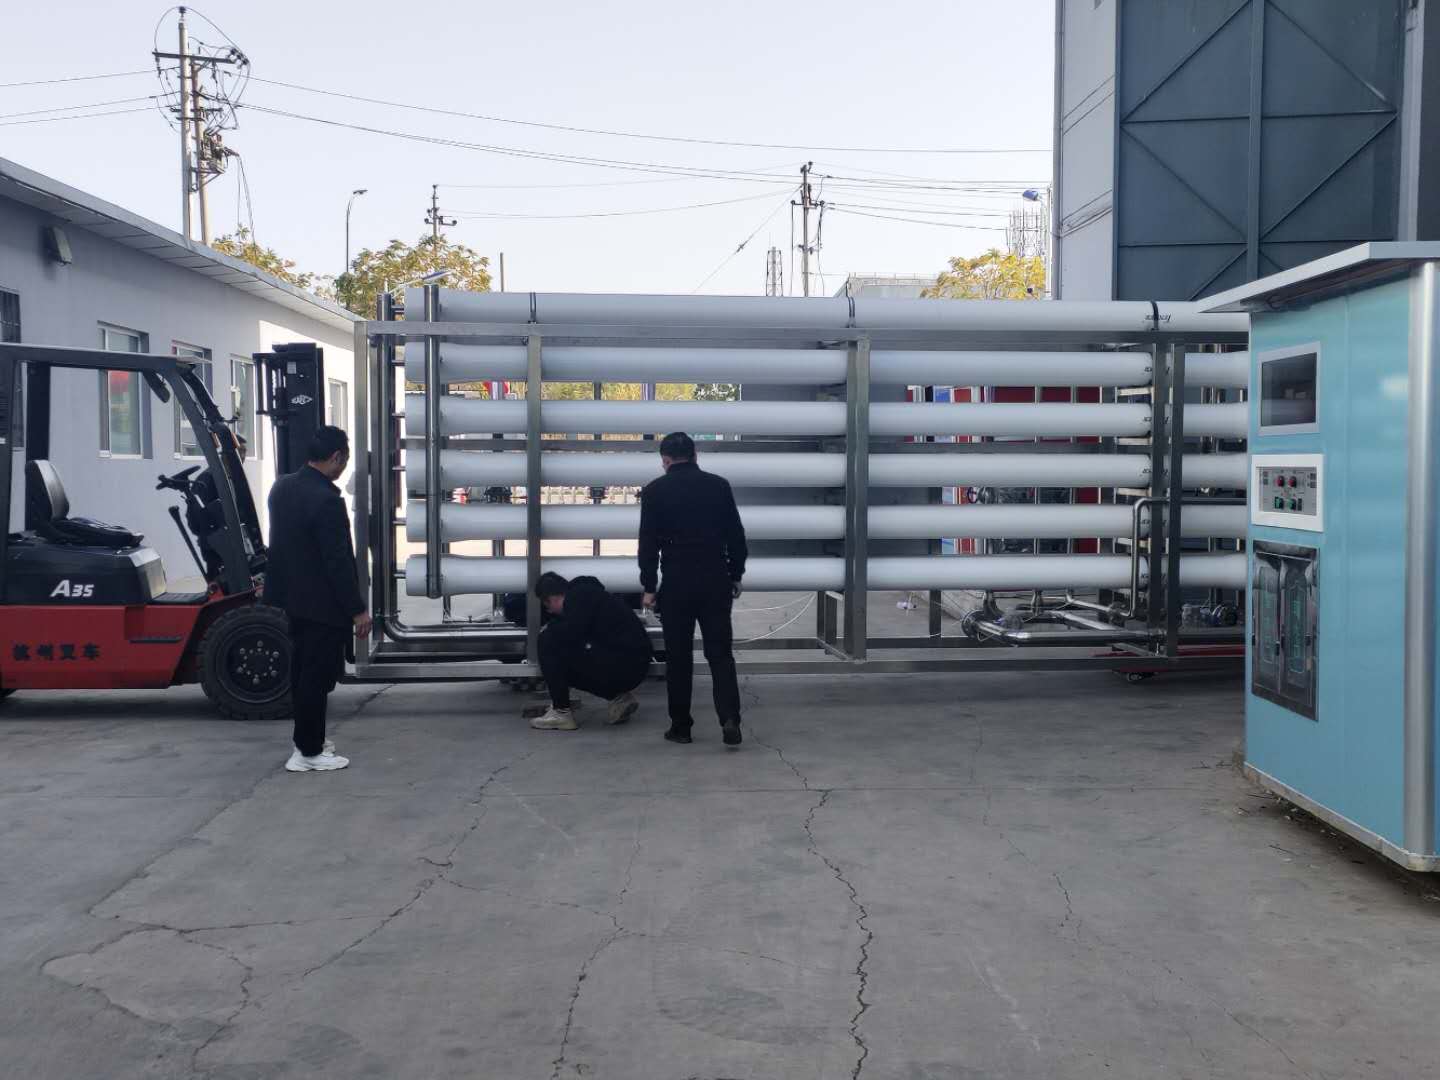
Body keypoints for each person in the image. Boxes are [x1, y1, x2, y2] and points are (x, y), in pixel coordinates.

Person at [266, 425, 372, 772]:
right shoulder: (327, 501)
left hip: (293, 600)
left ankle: (306, 740)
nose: (343, 468)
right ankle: (309, 753)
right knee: (316, 678)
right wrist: (357, 609)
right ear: (336, 457)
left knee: (302, 675)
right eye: (345, 460)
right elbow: (337, 562)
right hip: (323, 606)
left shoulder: (282, 488)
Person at [638, 432, 747, 747]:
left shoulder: (654, 491)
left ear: (665, 460)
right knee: (720, 654)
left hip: (677, 582)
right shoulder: (719, 486)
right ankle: (729, 718)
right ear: (695, 455)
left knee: (679, 657)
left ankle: (681, 727)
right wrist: (735, 574)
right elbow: (736, 536)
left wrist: (649, 586)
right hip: (715, 579)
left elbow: (648, 544)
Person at [529, 572, 652, 731]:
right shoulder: (589, 595)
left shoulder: (577, 600)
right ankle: (618, 698)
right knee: (560, 649)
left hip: (625, 666)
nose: (551, 612)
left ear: (552, 599)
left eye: (548, 607)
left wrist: (549, 629)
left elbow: (571, 636)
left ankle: (561, 712)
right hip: (635, 664)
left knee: (546, 641)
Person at [189, 432, 247, 582]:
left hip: (231, 540)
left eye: (244, 452)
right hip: (217, 543)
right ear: (225, 454)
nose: (243, 456)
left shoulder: (230, 477)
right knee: (221, 583)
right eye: (240, 452)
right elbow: (198, 518)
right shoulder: (208, 478)